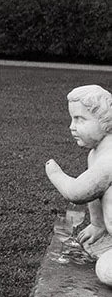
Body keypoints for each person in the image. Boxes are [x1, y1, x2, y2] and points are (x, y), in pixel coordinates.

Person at [46, 84, 112, 284]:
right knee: (97, 250)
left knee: (106, 271)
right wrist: (97, 225)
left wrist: (55, 173)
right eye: (72, 119)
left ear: (105, 121)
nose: (71, 126)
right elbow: (96, 193)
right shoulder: (95, 153)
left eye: (79, 119)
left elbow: (77, 193)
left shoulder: (109, 159)